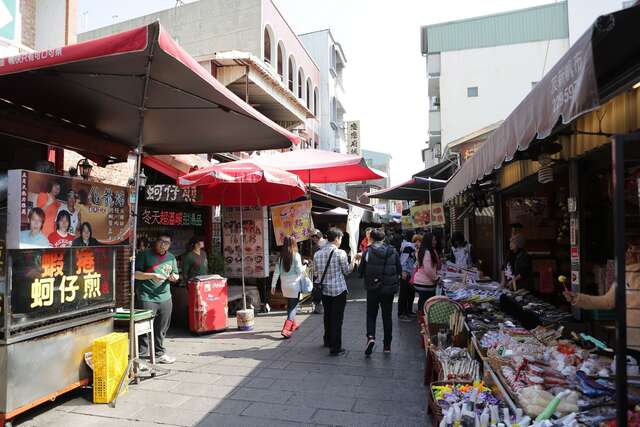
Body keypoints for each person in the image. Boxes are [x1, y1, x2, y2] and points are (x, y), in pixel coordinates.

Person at [564, 240, 640, 354]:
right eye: (629, 249)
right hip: (628, 338)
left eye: (633, 249)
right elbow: (607, 301)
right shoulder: (624, 276)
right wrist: (577, 298)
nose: (629, 252)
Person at [135, 232, 180, 364]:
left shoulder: (171, 257)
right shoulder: (144, 255)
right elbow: (135, 274)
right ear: (156, 241)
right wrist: (152, 276)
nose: (163, 245)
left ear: (169, 245)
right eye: (161, 241)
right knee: (143, 328)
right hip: (147, 296)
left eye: (166, 243)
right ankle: (142, 358)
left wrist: (174, 278)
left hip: (165, 296)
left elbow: (176, 274)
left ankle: (159, 353)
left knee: (162, 328)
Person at [314, 227, 359, 356]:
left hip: (324, 290)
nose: (341, 241)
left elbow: (316, 273)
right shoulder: (340, 253)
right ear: (337, 238)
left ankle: (327, 340)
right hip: (338, 290)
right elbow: (346, 271)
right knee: (337, 319)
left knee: (327, 316)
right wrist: (354, 262)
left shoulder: (318, 254)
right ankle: (335, 347)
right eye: (341, 238)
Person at [359, 228, 401, 355]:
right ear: (383, 238)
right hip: (388, 290)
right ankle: (387, 346)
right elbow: (399, 269)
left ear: (371, 238)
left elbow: (360, 272)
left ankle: (371, 337)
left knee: (371, 314)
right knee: (387, 317)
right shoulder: (393, 251)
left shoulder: (367, 252)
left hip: (373, 288)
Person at [271, 236, 307, 338]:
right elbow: (300, 271)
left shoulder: (280, 257)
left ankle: (293, 325)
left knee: (290, 305)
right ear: (294, 244)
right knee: (293, 307)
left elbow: (276, 273)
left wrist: (273, 285)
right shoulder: (296, 255)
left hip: (284, 285)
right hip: (294, 285)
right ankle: (286, 329)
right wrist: (305, 265)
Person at [413, 232, 439, 314]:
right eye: (434, 240)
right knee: (427, 303)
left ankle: (422, 320)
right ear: (429, 240)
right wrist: (436, 278)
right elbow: (428, 269)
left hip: (420, 281)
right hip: (425, 283)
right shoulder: (427, 252)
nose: (435, 241)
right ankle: (425, 321)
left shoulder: (422, 250)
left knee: (423, 301)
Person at [398, 230, 417, 321]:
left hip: (410, 272)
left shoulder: (408, 246)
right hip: (406, 273)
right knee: (404, 294)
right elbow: (403, 260)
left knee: (410, 293)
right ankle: (402, 313)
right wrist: (403, 271)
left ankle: (408, 311)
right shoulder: (408, 247)